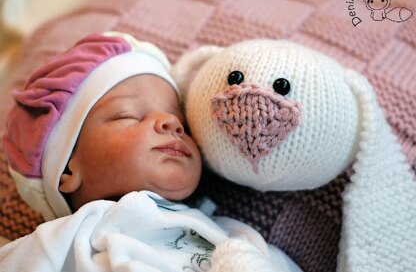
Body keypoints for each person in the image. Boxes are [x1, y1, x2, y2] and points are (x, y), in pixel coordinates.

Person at [0, 32, 302, 272]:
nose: (171, 122)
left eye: (181, 121)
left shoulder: (226, 232)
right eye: (128, 115)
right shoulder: (68, 235)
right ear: (67, 169)